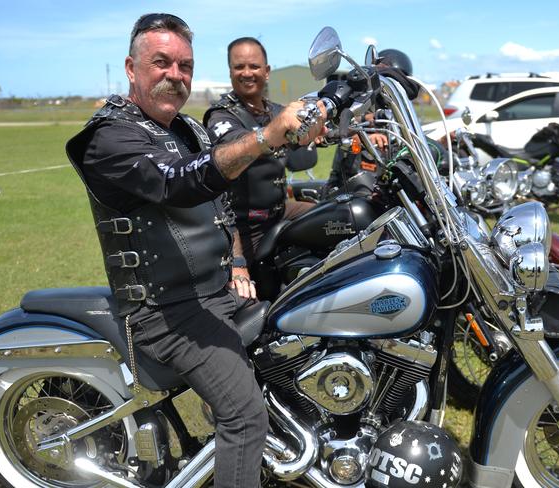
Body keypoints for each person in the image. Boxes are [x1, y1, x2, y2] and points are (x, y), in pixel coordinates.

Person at [65, 13, 324, 488]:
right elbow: (177, 184)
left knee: (299, 337)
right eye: (161, 62)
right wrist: (267, 135)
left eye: (184, 65)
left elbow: (223, 206)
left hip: (214, 291)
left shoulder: (188, 130)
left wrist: (240, 262)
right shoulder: (109, 136)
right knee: (245, 417)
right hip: (166, 309)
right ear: (131, 67)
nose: (175, 75)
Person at [203, 37, 316, 284]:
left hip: (280, 210)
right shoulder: (221, 115)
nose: (246, 73)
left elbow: (308, 137)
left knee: (342, 219)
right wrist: (275, 132)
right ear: (230, 72)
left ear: (266, 71)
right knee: (251, 298)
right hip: (243, 224)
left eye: (254, 66)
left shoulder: (276, 110)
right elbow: (236, 142)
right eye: (238, 67)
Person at [324, 48, 416, 194]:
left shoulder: (399, 113)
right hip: (351, 188)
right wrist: (362, 135)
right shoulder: (357, 103)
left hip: (388, 189)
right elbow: (332, 129)